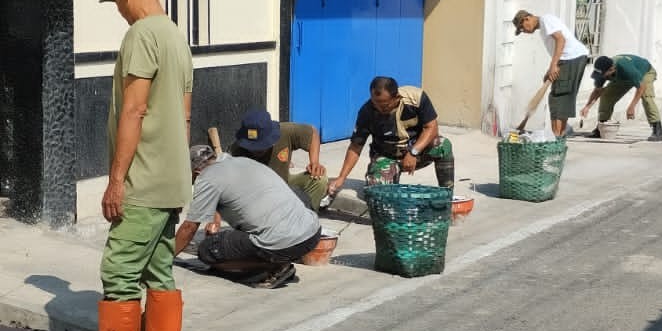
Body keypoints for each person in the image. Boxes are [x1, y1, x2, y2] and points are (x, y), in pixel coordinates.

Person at [63, 0, 194, 331]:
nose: (118, 10)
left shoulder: (140, 35)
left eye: (116, 1)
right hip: (172, 175)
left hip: (145, 178)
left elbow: (135, 109)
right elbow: (186, 113)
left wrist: (116, 180)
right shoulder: (177, 35)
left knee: (118, 270)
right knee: (158, 265)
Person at [174, 145, 321, 289]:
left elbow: (189, 228)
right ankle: (286, 254)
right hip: (312, 235)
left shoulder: (206, 179)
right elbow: (228, 193)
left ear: (196, 170)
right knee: (295, 192)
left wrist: (165, 259)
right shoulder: (241, 162)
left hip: (283, 245)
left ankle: (274, 266)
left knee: (208, 250)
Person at [326, 77, 455, 198]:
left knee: (442, 144)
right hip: (387, 157)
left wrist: (414, 152)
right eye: (375, 102)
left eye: (384, 105)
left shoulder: (416, 98)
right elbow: (355, 147)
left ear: (396, 98)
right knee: (377, 195)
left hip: (416, 153)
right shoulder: (367, 112)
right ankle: (388, 179)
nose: (378, 108)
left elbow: (431, 127)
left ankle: (447, 196)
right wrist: (341, 177)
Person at [228, 109, 329, 210]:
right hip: (258, 196)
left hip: (284, 182)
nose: (257, 150)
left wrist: (314, 162)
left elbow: (313, 133)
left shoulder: (286, 132)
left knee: (319, 179)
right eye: (253, 146)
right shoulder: (236, 151)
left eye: (261, 145)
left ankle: (307, 218)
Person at [513, 9, 590, 138]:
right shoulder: (544, 26)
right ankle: (559, 136)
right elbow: (557, 46)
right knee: (563, 97)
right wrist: (551, 69)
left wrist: (553, 66)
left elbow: (561, 40)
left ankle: (556, 136)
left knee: (558, 97)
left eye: (522, 28)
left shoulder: (546, 20)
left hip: (570, 59)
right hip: (571, 59)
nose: (524, 32)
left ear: (527, 18)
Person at [581, 54, 662, 142]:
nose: (601, 77)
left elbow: (641, 87)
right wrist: (587, 107)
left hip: (645, 73)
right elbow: (597, 91)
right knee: (606, 96)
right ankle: (602, 128)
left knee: (647, 97)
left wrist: (632, 107)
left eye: (603, 74)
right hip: (623, 78)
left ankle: (657, 129)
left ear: (611, 69)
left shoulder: (625, 66)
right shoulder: (601, 72)